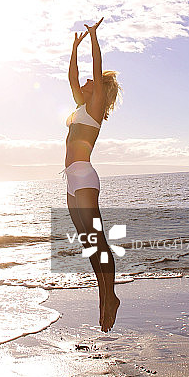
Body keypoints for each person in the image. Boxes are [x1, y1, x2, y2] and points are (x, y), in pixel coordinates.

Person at [65, 18, 121, 332]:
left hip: (85, 177)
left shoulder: (95, 104)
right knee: (88, 242)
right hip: (71, 180)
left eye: (92, 81)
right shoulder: (81, 104)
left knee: (97, 239)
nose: (87, 81)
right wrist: (74, 48)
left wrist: (93, 38)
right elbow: (72, 76)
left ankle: (110, 295)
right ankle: (103, 295)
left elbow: (96, 67)